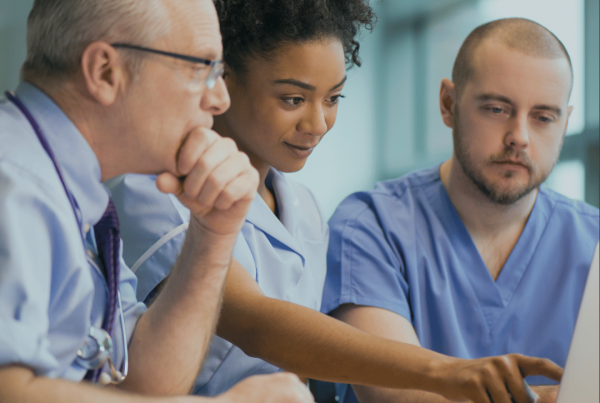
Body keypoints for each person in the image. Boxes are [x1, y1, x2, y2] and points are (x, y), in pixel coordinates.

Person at [109, 3, 563, 403]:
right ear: (223, 81)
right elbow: (259, 326)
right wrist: (450, 372)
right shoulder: (155, 191)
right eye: (293, 98)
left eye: (333, 98)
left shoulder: (303, 207)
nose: (318, 122)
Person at [0, 0, 315, 402]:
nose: (220, 99)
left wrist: (213, 233)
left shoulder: (75, 195)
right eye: (203, 69)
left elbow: (146, 387)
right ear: (105, 72)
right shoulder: (14, 182)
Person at [320, 17, 600, 403]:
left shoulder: (593, 242)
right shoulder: (370, 227)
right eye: (497, 109)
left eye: (543, 117)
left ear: (566, 123)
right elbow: (397, 396)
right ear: (448, 104)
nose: (519, 137)